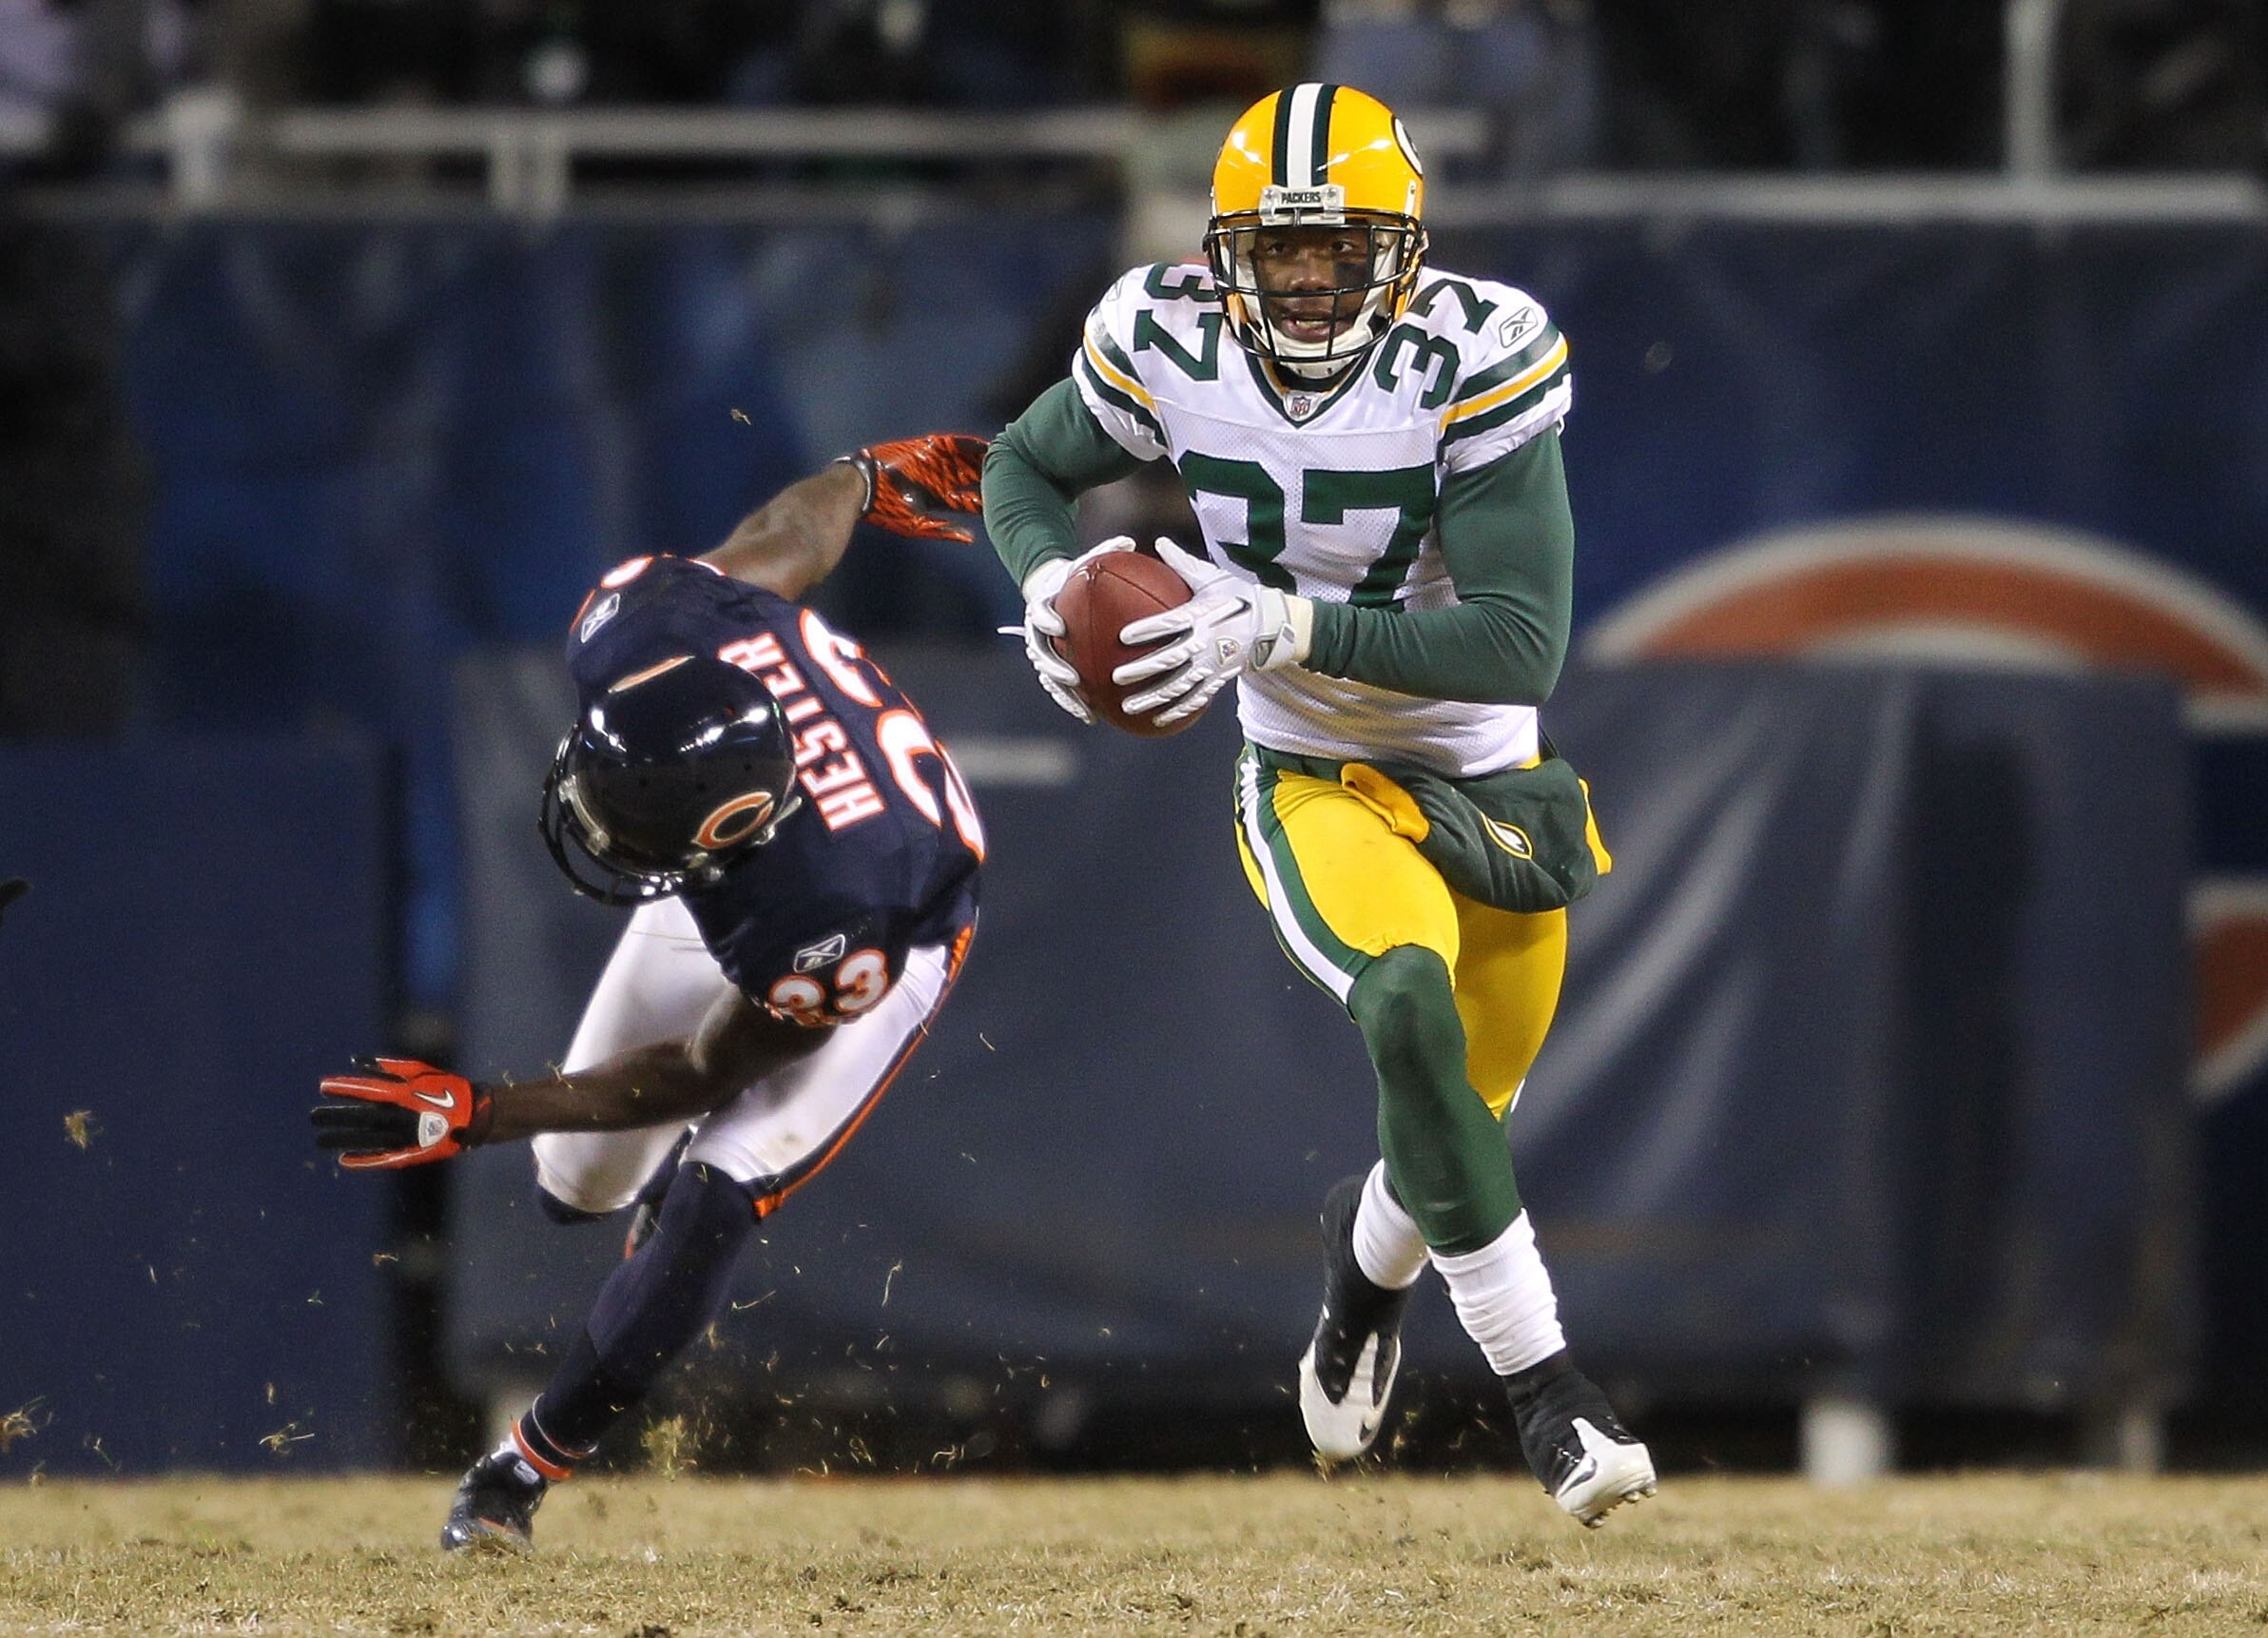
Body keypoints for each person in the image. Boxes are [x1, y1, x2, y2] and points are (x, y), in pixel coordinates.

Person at [980, 83, 1656, 1527]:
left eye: (1335, 249)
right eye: (1275, 250)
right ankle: (1552, 1398)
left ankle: (1361, 1285)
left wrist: (1283, 623)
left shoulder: (1473, 356)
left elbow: (1518, 641)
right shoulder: (1160, 335)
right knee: (1404, 1011)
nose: (1300, 278)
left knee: (1456, 1116)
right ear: (1227, 249)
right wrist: (1046, 579)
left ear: (1400, 249)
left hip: (1486, 775)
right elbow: (1021, 464)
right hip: (1308, 773)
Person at [311, 435, 989, 1551]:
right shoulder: (653, 625)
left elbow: (697, 1072)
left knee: (714, 1194)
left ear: (712, 833)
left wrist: (477, 1110)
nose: (588, 820)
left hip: (890, 934)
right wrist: (864, 476)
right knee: (571, 1184)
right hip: (753, 878)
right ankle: (618, 1219)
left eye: (625, 827)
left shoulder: (834, 915)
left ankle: (517, 1473)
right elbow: (787, 537)